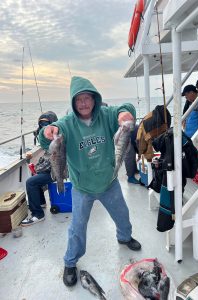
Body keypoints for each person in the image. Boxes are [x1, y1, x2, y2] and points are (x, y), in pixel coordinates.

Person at [38, 76, 141, 287]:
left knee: (122, 213)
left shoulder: (107, 115)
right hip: (82, 186)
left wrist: (125, 112)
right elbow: (46, 136)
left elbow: (125, 108)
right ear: (73, 103)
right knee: (77, 226)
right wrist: (46, 132)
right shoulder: (66, 124)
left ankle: (124, 237)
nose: (84, 103)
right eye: (79, 100)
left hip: (108, 181)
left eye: (87, 98)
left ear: (94, 99)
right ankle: (70, 261)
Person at [21, 111, 58, 226]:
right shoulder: (47, 137)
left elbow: (52, 160)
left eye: (46, 124)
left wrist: (37, 168)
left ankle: (38, 214)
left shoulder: (56, 138)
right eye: (41, 124)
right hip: (52, 168)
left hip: (58, 171)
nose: (43, 127)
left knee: (31, 182)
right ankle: (41, 202)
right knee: (35, 176)